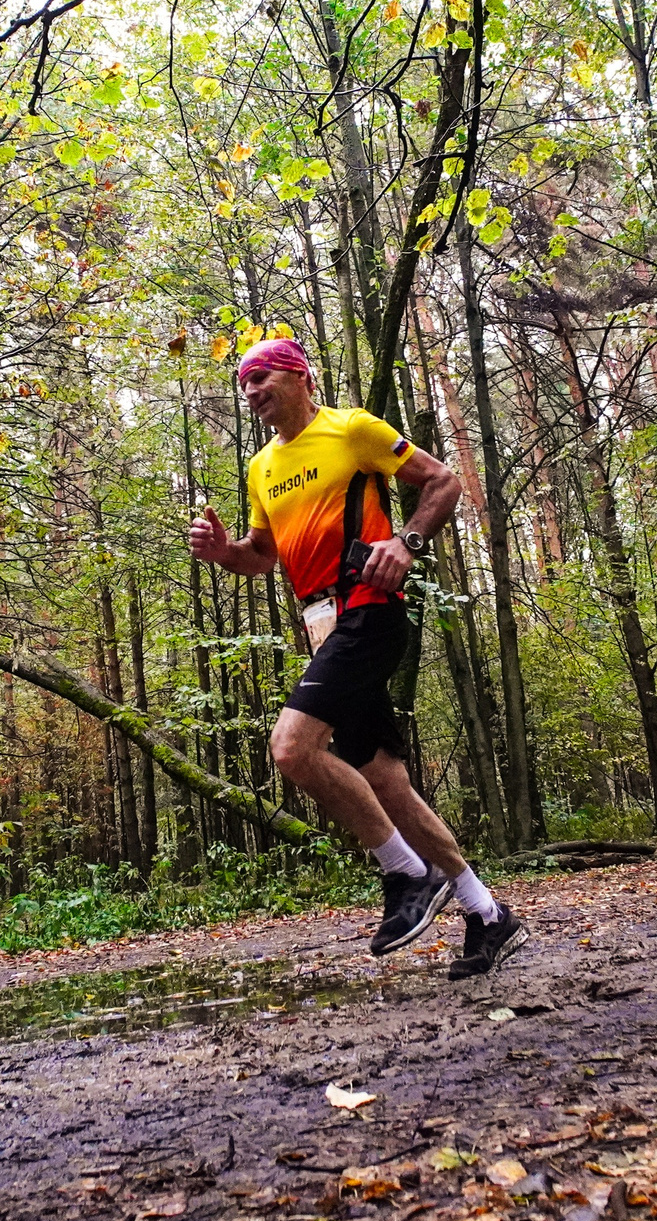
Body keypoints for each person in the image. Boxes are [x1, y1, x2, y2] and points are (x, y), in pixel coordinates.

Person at [187, 337, 525, 979]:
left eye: (261, 377)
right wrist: (224, 552)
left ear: (298, 375)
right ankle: (487, 914)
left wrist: (408, 541)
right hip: (322, 623)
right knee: (386, 781)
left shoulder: (352, 430)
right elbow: (263, 556)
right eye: (243, 384)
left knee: (291, 749)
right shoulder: (261, 469)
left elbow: (443, 481)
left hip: (370, 608)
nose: (251, 392)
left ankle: (405, 873)